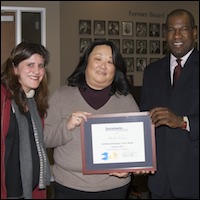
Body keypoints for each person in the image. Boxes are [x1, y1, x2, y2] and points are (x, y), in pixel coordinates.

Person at [43, 39, 141, 199]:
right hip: (70, 186)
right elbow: (44, 138)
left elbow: (137, 145)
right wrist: (66, 126)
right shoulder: (62, 96)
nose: (103, 65)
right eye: (98, 58)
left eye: (110, 62)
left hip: (114, 187)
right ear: (86, 62)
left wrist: (129, 167)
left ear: (116, 69)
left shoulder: (126, 100)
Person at [140, 9, 199, 199]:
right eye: (171, 30)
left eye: (183, 29)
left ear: (195, 32)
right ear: (165, 34)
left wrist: (183, 122)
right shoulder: (151, 72)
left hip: (193, 177)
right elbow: (144, 120)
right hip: (160, 180)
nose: (177, 36)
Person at [1, 42, 51, 199]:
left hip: (31, 189)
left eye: (41, 65)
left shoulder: (35, 101)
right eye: (30, 65)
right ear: (15, 69)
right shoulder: (3, 97)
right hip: (8, 191)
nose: (37, 71)